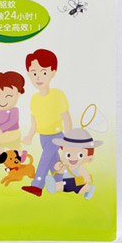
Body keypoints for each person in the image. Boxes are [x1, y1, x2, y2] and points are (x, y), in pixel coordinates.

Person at [21, 49, 71, 197]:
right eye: (34, 73)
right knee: (52, 162)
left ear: (52, 72)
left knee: (44, 160)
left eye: (43, 72)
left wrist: (68, 139)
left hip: (56, 136)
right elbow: (34, 122)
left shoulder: (58, 95)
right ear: (29, 74)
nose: (38, 77)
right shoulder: (34, 99)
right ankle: (61, 183)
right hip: (42, 137)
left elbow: (66, 118)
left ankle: (37, 186)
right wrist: (29, 136)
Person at [45, 128, 102, 200]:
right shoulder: (66, 167)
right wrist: (57, 167)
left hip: (77, 184)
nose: (73, 158)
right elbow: (60, 171)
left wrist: (87, 178)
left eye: (80, 155)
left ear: (89, 158)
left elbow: (84, 172)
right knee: (60, 185)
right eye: (68, 155)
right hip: (65, 183)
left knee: (81, 190)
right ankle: (53, 187)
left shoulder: (79, 168)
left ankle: (89, 188)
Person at [0, 71, 25, 152]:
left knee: (13, 148)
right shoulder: (0, 111)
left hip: (12, 133)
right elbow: (0, 122)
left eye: (8, 96)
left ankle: (18, 154)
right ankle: (0, 154)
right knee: (1, 145)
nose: (2, 101)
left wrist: (2, 128)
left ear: (18, 95)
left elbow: (12, 121)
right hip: (2, 133)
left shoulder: (14, 110)